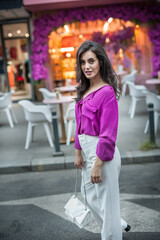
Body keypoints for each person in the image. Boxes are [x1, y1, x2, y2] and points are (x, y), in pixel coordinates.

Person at [74, 41, 131, 240]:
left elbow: (108, 134)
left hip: (103, 155)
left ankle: (112, 233)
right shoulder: (83, 90)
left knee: (107, 203)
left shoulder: (106, 93)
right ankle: (117, 223)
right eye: (83, 62)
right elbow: (79, 124)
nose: (87, 66)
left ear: (101, 62)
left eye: (91, 61)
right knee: (89, 197)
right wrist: (78, 152)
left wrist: (98, 163)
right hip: (87, 152)